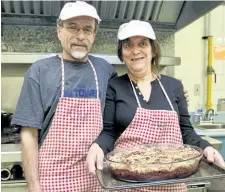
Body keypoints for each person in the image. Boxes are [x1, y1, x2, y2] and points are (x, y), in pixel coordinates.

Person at [11, 2, 189, 191]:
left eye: (87, 29)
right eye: (73, 27)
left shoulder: (105, 70)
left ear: (94, 35)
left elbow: (124, 108)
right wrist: (33, 185)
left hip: (99, 179)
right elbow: (29, 133)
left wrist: (173, 91)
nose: (80, 36)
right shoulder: (39, 71)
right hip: (55, 179)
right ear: (59, 30)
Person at [86, 20, 225, 192]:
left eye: (142, 44)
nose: (135, 51)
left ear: (153, 49)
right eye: (128, 45)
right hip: (128, 181)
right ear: (122, 53)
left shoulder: (174, 86)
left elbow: (186, 131)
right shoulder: (115, 86)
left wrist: (206, 146)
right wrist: (97, 145)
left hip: (172, 182)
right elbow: (109, 132)